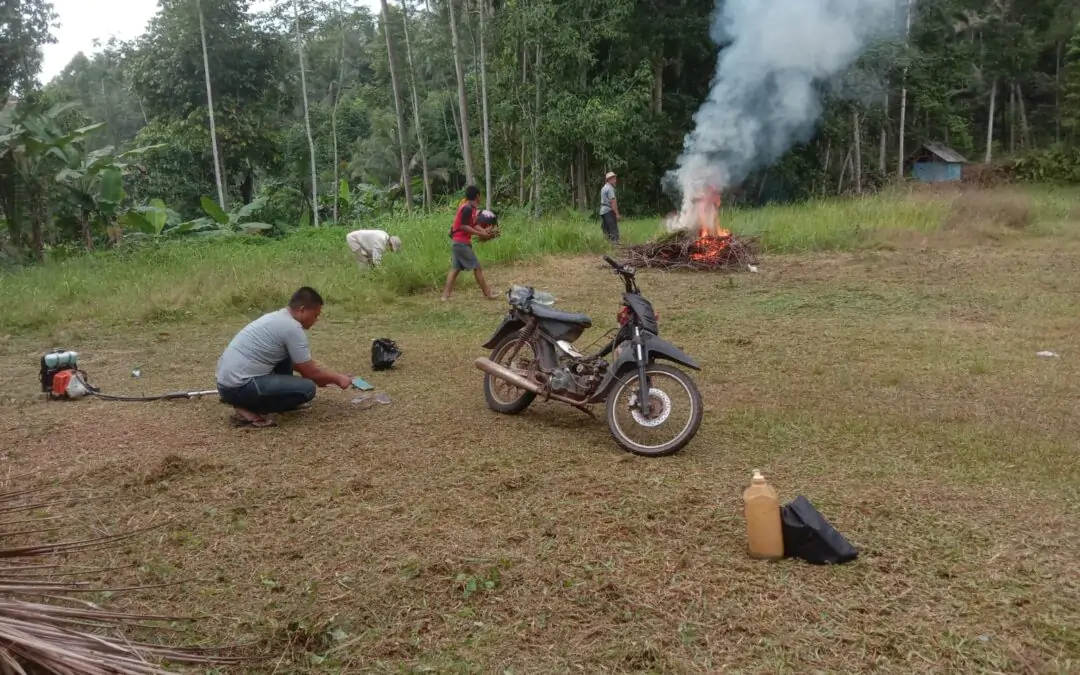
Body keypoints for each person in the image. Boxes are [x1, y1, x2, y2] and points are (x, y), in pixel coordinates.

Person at [215, 287, 354, 427]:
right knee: (308, 389)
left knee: (287, 358)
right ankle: (251, 407)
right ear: (302, 309)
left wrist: (323, 377)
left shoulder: (277, 317)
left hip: (226, 384)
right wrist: (338, 379)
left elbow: (299, 364)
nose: (316, 320)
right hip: (240, 387)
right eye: (315, 315)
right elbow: (311, 373)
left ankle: (249, 401)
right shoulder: (292, 328)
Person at [441, 185, 497, 301]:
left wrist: (484, 231)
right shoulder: (467, 208)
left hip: (458, 243)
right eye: (480, 195)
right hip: (461, 243)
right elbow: (463, 226)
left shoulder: (470, 208)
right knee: (477, 268)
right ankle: (488, 293)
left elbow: (473, 224)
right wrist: (481, 234)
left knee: (455, 270)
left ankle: (445, 296)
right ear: (477, 196)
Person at [599, 171, 621, 243]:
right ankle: (615, 245)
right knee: (613, 230)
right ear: (609, 179)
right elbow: (613, 202)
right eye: (614, 179)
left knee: (606, 230)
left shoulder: (604, 188)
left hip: (603, 211)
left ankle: (608, 245)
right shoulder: (610, 189)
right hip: (609, 211)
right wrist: (617, 214)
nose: (615, 181)